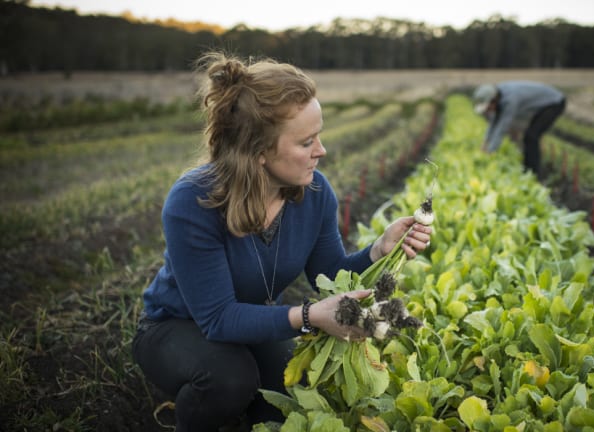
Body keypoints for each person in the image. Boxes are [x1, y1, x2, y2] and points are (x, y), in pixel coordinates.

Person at [131, 51, 432, 431]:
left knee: (293, 388)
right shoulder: (193, 201)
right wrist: (309, 318)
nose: (321, 150)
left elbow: (329, 272)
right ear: (258, 152)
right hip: (177, 326)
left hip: (248, 318)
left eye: (318, 136)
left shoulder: (315, 191)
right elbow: (218, 319)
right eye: (306, 142)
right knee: (231, 379)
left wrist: (378, 250)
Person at [472, 81, 566, 176]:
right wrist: (485, 142)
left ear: (493, 100)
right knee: (529, 136)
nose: (488, 110)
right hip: (546, 105)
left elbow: (502, 128)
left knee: (531, 136)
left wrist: (490, 152)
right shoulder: (498, 95)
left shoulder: (510, 100)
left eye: (488, 107)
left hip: (554, 102)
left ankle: (533, 173)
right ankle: (528, 170)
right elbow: (493, 122)